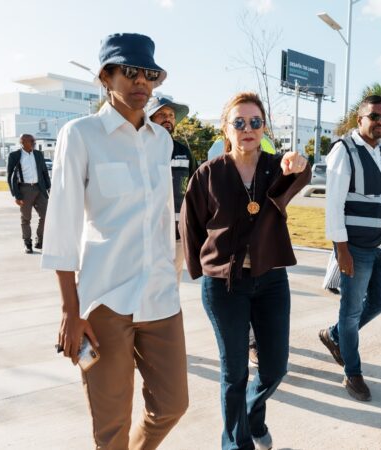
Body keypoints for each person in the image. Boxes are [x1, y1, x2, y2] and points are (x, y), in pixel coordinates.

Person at [41, 33, 188, 449]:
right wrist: (71, 311)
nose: (142, 82)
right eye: (131, 71)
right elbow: (63, 226)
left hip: (161, 297)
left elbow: (161, 221)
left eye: (150, 74)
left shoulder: (162, 142)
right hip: (103, 301)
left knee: (173, 404)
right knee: (111, 426)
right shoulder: (81, 135)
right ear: (106, 76)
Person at [181, 92, 310, 450]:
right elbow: (190, 225)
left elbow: (300, 175)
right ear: (226, 129)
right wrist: (201, 269)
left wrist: (299, 163)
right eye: (238, 123)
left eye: (255, 122)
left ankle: (253, 414)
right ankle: (236, 445)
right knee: (234, 372)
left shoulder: (275, 167)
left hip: (270, 281)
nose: (247, 129)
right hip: (225, 285)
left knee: (274, 369)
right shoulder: (209, 174)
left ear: (264, 127)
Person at [318, 95, 381, 402]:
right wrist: (341, 249)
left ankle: (335, 335)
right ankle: (352, 372)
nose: (380, 121)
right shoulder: (344, 150)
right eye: (374, 116)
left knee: (380, 303)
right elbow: (334, 205)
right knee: (351, 311)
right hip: (356, 247)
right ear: (360, 119)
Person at [146, 94, 197, 286]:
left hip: (177, 235)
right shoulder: (139, 148)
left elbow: (194, 192)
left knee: (171, 288)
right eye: (161, 114)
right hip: (148, 234)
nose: (168, 118)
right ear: (149, 118)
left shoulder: (184, 152)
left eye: (171, 115)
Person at [7, 134, 51, 254]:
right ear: (23, 142)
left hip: (39, 189)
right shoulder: (14, 156)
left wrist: (49, 187)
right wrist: (16, 195)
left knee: (46, 215)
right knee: (26, 218)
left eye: (34, 141)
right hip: (24, 190)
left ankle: (40, 240)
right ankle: (27, 243)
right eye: (32, 141)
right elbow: (10, 176)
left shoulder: (38, 154)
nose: (34, 143)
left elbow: (44, 172)